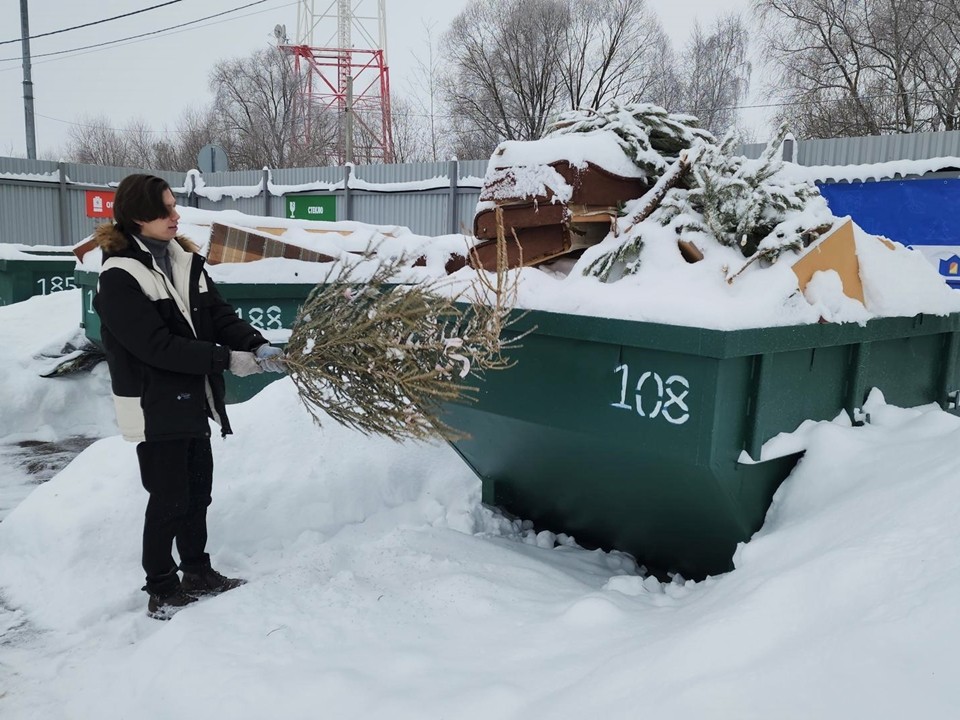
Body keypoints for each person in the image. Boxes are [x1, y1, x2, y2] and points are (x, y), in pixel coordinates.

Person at [93, 173, 286, 619]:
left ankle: (197, 571)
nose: (175, 215)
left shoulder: (184, 261)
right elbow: (155, 347)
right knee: (168, 498)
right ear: (140, 216)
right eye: (165, 209)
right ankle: (161, 586)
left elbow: (219, 315)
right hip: (153, 401)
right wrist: (225, 360)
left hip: (192, 396)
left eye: (174, 206)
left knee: (198, 492)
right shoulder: (119, 275)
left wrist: (256, 344)